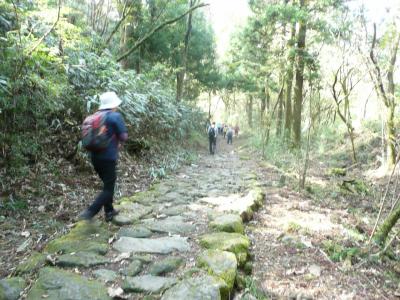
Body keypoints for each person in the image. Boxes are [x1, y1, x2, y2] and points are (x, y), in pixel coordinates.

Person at [79, 91, 128, 222]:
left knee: (107, 184)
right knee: (109, 188)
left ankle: (109, 211)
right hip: (108, 158)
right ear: (114, 104)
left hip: (94, 157)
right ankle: (90, 211)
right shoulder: (115, 116)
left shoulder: (94, 116)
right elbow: (124, 136)